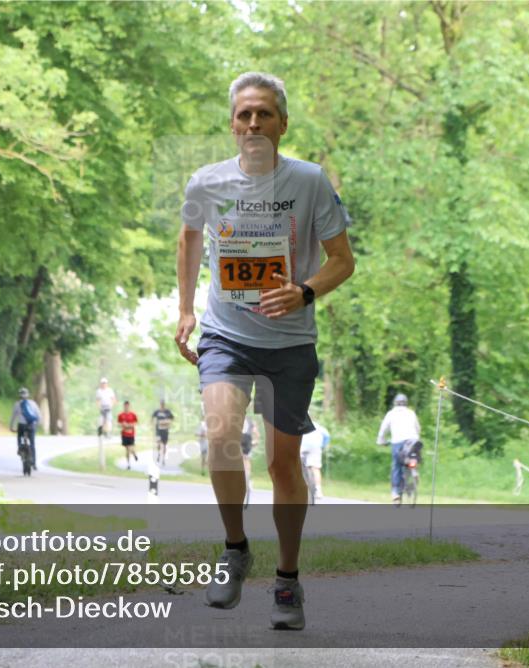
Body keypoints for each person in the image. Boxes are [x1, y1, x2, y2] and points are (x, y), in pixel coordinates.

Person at [174, 71, 355, 630]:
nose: (254, 123)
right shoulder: (206, 183)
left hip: (290, 342)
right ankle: (234, 549)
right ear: (232, 124)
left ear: (282, 123)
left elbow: (342, 262)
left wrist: (303, 291)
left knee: (282, 464)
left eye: (264, 114)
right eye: (244, 114)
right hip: (226, 335)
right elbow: (188, 238)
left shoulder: (309, 182)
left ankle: (287, 582)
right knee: (222, 438)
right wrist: (185, 310)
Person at [376, 393, 421, 505]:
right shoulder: (411, 413)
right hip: (413, 442)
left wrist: (381, 441)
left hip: (398, 442)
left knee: (396, 465)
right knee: (413, 457)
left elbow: (383, 430)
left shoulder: (391, 414)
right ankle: (414, 471)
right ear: (406, 403)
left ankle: (396, 492)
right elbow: (418, 428)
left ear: (395, 403)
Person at [10, 387, 41, 470]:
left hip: (22, 426)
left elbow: (13, 417)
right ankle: (34, 463)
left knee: (19, 437)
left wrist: (11, 427)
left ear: (20, 395)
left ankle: (20, 449)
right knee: (32, 444)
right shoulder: (33, 403)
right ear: (28, 395)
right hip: (31, 425)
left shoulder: (17, 404)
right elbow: (38, 415)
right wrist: (37, 425)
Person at [299, 420, 330, 500]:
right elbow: (327, 436)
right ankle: (318, 491)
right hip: (316, 445)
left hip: (303, 445)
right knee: (315, 468)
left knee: (297, 464)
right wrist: (322, 446)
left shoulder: (298, 423)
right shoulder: (318, 426)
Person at [151, 399, 175, 464]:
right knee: (158, 443)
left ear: (164, 404)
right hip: (158, 430)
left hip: (165, 430)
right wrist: (153, 424)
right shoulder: (157, 411)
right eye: (161, 404)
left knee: (164, 445)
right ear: (160, 404)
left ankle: (163, 458)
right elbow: (152, 417)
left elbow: (172, 418)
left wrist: (168, 422)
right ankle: (159, 454)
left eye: (163, 404)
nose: (162, 405)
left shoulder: (167, 412)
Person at [117, 400, 139, 469]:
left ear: (129, 406)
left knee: (130, 448)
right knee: (127, 449)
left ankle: (134, 454)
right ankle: (128, 464)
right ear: (124, 406)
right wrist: (123, 424)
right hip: (124, 434)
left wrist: (130, 425)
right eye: (125, 406)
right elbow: (119, 423)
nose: (126, 407)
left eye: (128, 406)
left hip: (131, 434)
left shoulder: (133, 415)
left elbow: (136, 422)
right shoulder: (121, 415)